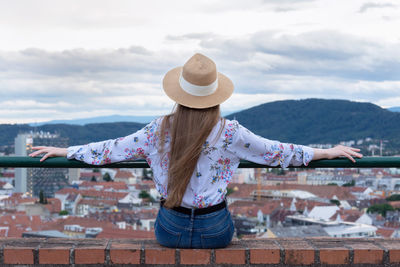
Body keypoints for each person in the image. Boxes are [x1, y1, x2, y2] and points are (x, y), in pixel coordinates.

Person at [29, 53, 363, 248]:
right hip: (215, 229)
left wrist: (64, 149)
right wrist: (325, 152)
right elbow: (279, 152)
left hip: (169, 228)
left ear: (178, 95)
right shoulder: (230, 133)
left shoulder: (157, 130)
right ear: (216, 96)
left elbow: (109, 150)